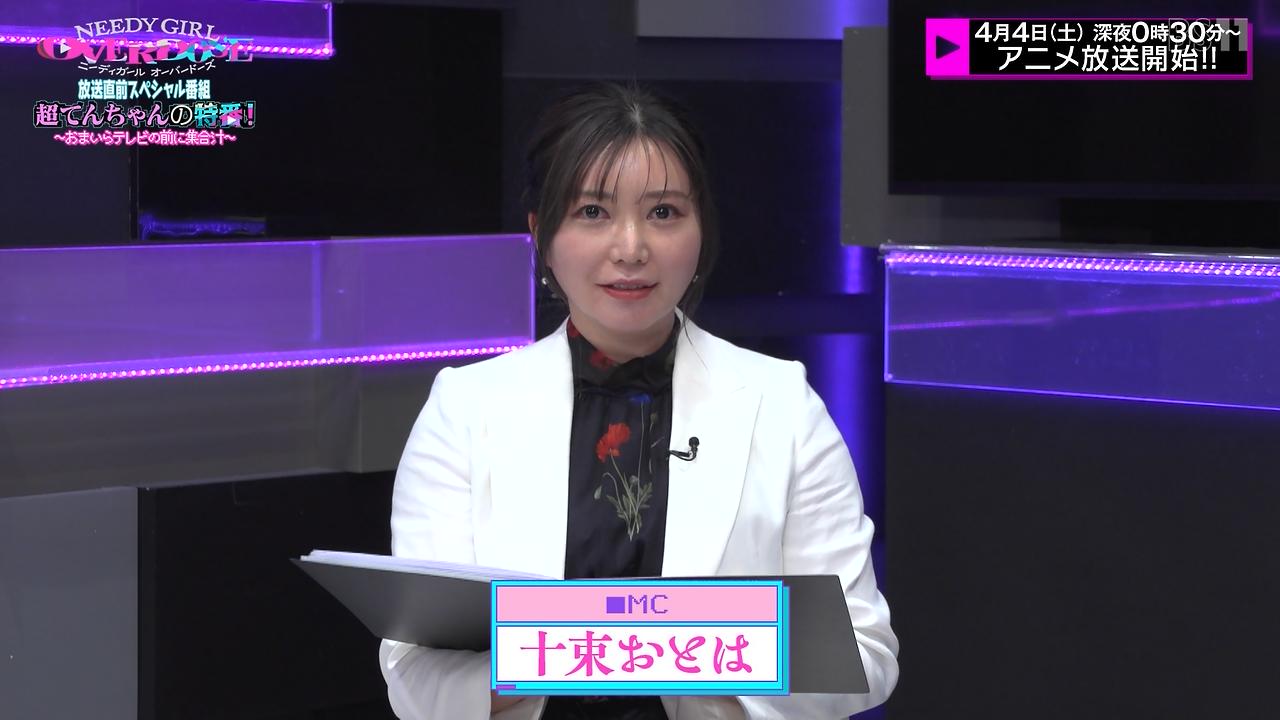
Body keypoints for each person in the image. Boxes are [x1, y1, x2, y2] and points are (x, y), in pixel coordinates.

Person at [378, 81, 898, 719]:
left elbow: (864, 651)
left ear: (701, 228)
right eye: (593, 212)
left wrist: (608, 645)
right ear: (541, 232)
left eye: (664, 213)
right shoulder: (464, 408)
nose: (631, 248)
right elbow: (415, 672)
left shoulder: (782, 405)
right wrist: (641, 642)